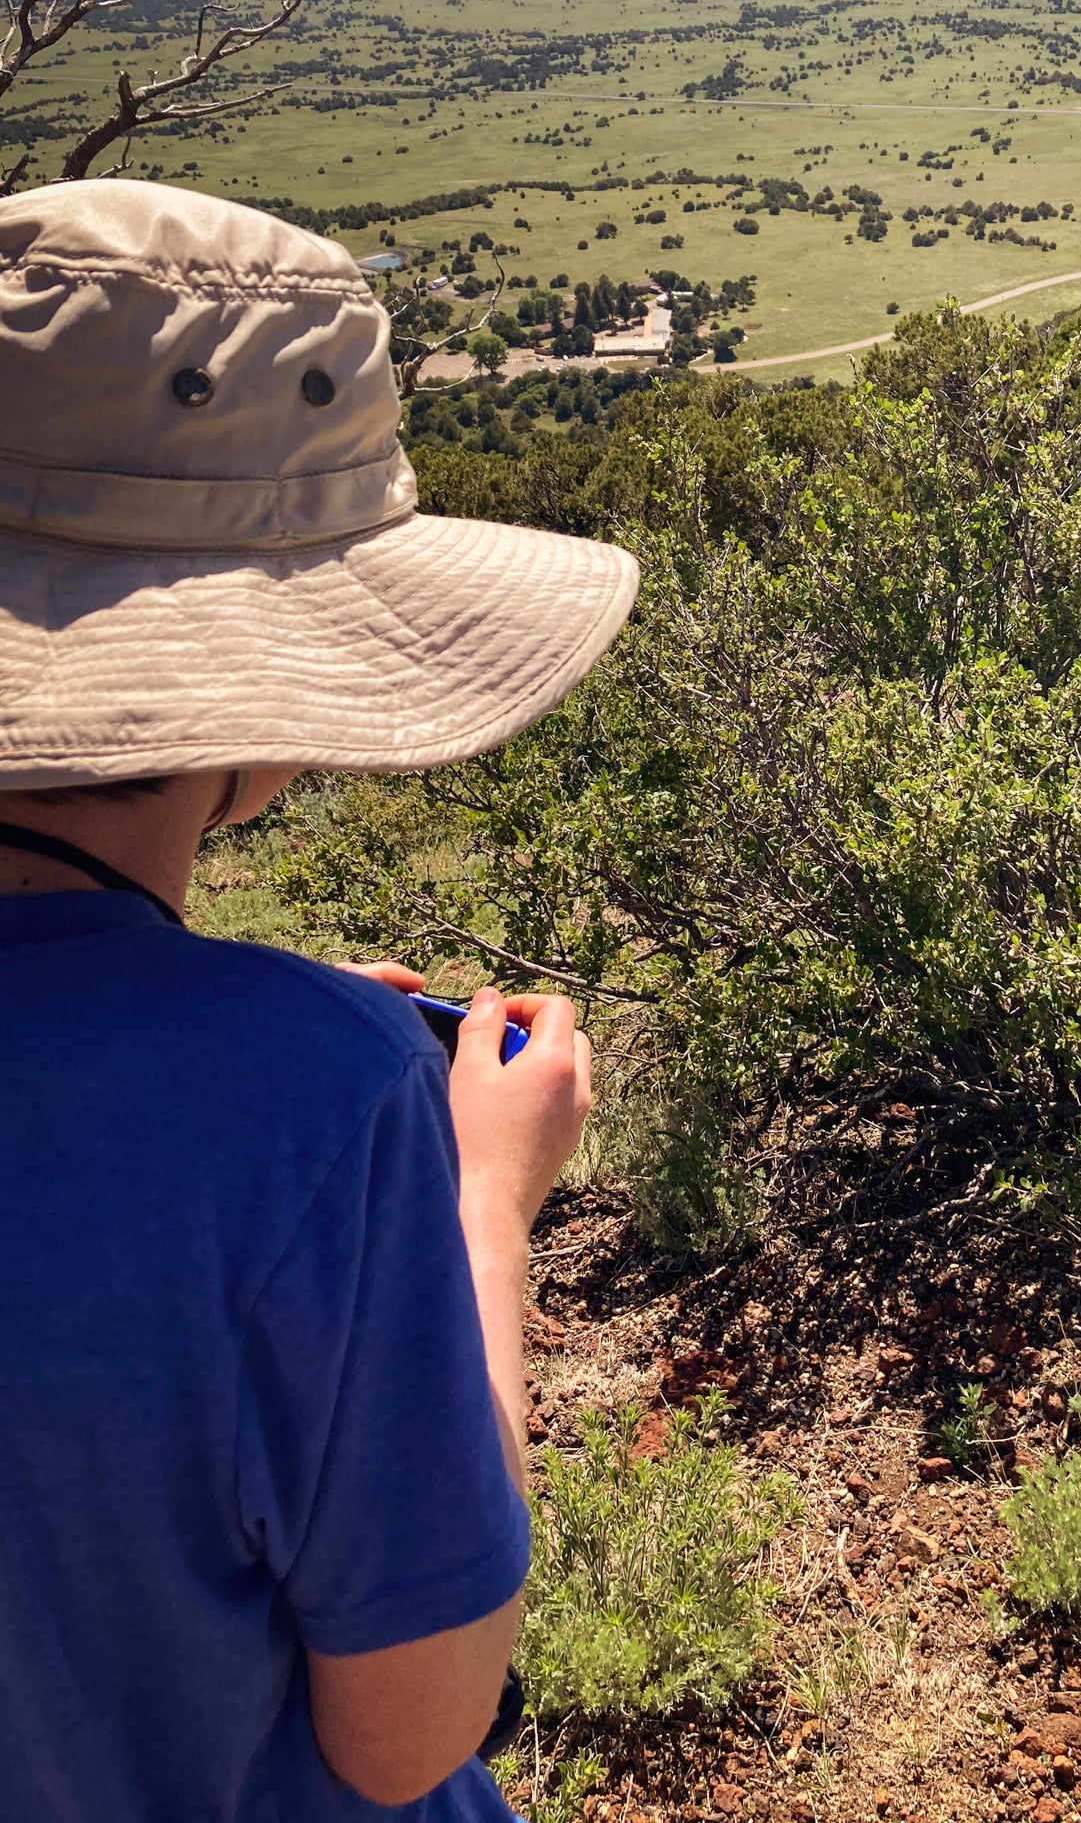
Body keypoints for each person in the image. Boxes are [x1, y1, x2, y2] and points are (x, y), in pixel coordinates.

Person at [0, 180, 640, 1819]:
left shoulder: (291, 1084)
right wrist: (478, 1196)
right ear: (258, 696)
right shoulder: (329, 1098)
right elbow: (414, 1728)